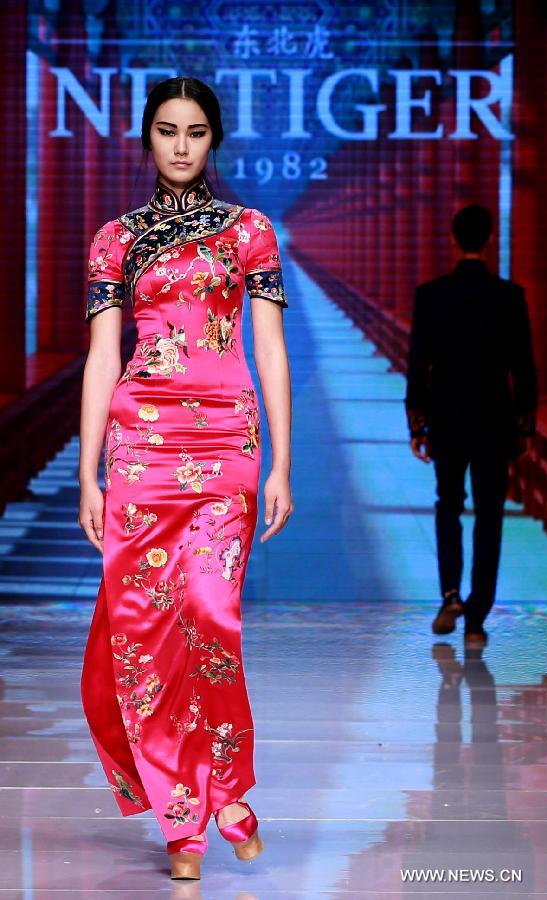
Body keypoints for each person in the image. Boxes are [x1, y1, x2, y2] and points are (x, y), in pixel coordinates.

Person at [78, 76, 293, 881]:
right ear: (147, 138)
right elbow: (103, 357)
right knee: (144, 628)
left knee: (209, 612)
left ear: (214, 140)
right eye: (167, 130)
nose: (180, 145)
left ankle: (226, 787)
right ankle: (183, 820)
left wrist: (282, 462)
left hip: (227, 440)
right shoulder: (115, 240)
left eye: (195, 132)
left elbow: (268, 349)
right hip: (140, 446)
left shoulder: (249, 232)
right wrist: (89, 473)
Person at [405, 203, 537, 648]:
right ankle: (477, 619)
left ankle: (450, 596)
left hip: (446, 419)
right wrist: (525, 424)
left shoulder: (431, 295)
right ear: (490, 239)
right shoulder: (510, 296)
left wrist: (416, 424)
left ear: (453, 239)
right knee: (489, 513)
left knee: (448, 504)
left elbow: (418, 365)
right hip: (495, 420)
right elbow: (524, 367)